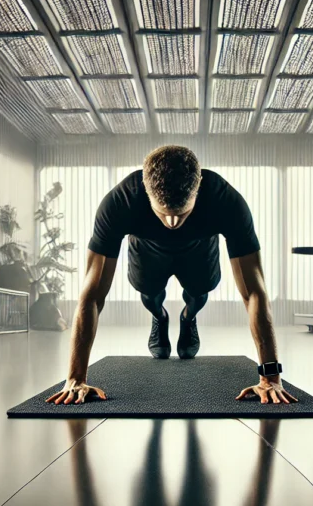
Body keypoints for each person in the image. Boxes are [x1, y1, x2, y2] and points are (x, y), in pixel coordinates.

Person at [45, 145, 297, 406]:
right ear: (145, 187)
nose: (173, 223)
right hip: (147, 252)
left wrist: (270, 377)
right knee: (150, 295)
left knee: (199, 293)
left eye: (183, 212)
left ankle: (188, 318)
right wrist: (75, 377)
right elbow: (93, 294)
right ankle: (159, 317)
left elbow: (254, 292)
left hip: (200, 250)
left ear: (198, 187)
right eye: (163, 213)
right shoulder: (120, 201)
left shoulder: (226, 200)